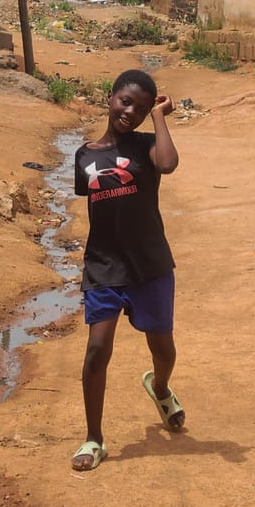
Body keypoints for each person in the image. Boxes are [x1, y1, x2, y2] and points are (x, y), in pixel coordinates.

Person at [72, 69, 184, 471]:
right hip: (104, 265)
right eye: (125, 101)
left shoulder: (149, 146)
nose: (130, 111)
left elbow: (168, 165)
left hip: (150, 264)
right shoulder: (84, 154)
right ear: (110, 97)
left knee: (163, 351)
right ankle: (94, 439)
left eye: (140, 107)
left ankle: (160, 387)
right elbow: (90, 198)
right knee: (97, 349)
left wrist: (159, 117)